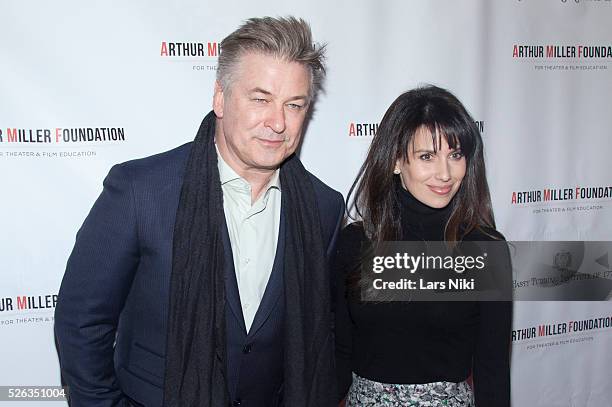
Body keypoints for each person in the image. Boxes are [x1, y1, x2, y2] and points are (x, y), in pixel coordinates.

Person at [55, 16, 344, 407]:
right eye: (260, 99)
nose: (278, 122)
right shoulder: (140, 191)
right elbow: (81, 324)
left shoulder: (323, 208)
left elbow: (321, 334)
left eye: (294, 105)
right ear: (220, 98)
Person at [334, 85, 512, 406]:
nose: (444, 173)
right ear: (396, 161)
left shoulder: (484, 249)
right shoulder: (354, 244)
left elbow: (492, 368)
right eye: (427, 156)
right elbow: (338, 354)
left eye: (455, 155)